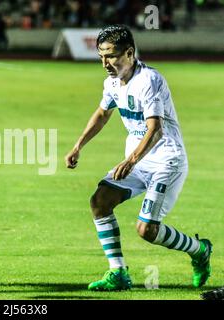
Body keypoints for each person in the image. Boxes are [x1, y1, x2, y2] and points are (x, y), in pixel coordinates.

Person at [64, 25, 212, 291]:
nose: (105, 63)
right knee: (100, 201)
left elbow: (155, 130)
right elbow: (102, 114)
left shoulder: (149, 80)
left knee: (147, 231)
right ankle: (118, 273)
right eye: (100, 56)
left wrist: (130, 161)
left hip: (167, 162)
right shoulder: (111, 82)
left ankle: (200, 250)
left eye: (110, 56)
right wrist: (78, 145)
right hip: (139, 161)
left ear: (130, 53)